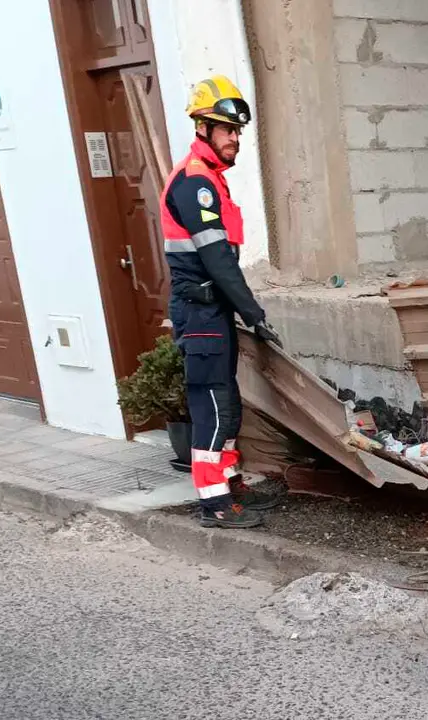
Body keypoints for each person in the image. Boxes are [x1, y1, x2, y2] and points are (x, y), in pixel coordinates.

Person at [160, 75, 283, 529]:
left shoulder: (211, 180)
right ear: (203, 128)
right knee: (211, 405)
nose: (235, 138)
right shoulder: (196, 184)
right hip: (201, 310)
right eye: (227, 129)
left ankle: (230, 486)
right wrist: (253, 312)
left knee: (227, 400)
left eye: (237, 131)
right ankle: (213, 503)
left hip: (215, 312)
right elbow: (217, 260)